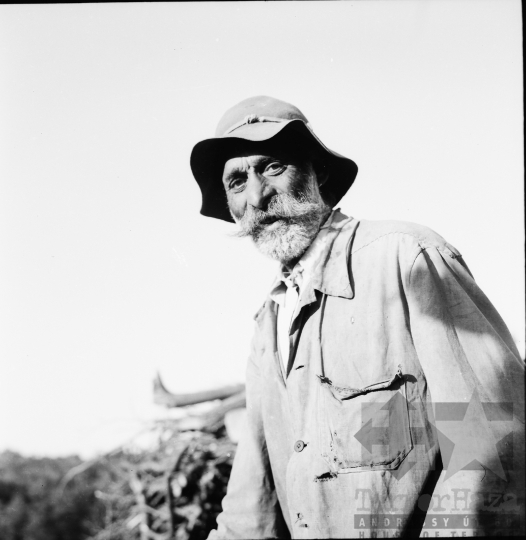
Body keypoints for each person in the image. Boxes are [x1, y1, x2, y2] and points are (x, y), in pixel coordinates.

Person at [190, 96, 525, 539]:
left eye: (273, 167)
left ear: (318, 173)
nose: (257, 195)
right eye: (237, 181)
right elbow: (249, 510)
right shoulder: (269, 321)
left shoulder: (404, 259)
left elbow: (488, 448)